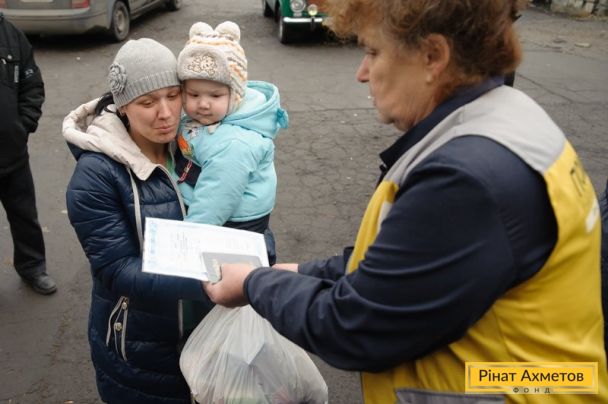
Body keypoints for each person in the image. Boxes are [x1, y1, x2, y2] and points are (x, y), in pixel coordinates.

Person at [204, 0, 608, 403]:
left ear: (433, 56)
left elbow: (359, 327)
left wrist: (254, 284)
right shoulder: (502, 119)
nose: (363, 73)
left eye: (373, 51)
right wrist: (300, 272)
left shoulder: (466, 176)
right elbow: (409, 264)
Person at [63, 38, 213, 403]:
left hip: (212, 334)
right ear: (123, 106)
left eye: (173, 96)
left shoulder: (197, 146)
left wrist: (259, 249)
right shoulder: (96, 175)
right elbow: (118, 269)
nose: (165, 113)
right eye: (147, 102)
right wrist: (213, 281)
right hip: (140, 351)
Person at [175, 21, 288, 265]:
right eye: (193, 94)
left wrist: (188, 239)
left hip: (234, 224)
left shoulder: (234, 143)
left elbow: (216, 199)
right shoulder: (207, 119)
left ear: (235, 95)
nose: (203, 104)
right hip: (215, 208)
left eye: (215, 95)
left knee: (221, 279)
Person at [0, 12, 56, 295]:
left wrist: (23, 126)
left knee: (25, 217)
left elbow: (32, 84)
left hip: (12, 154)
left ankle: (33, 267)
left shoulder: (12, 36)